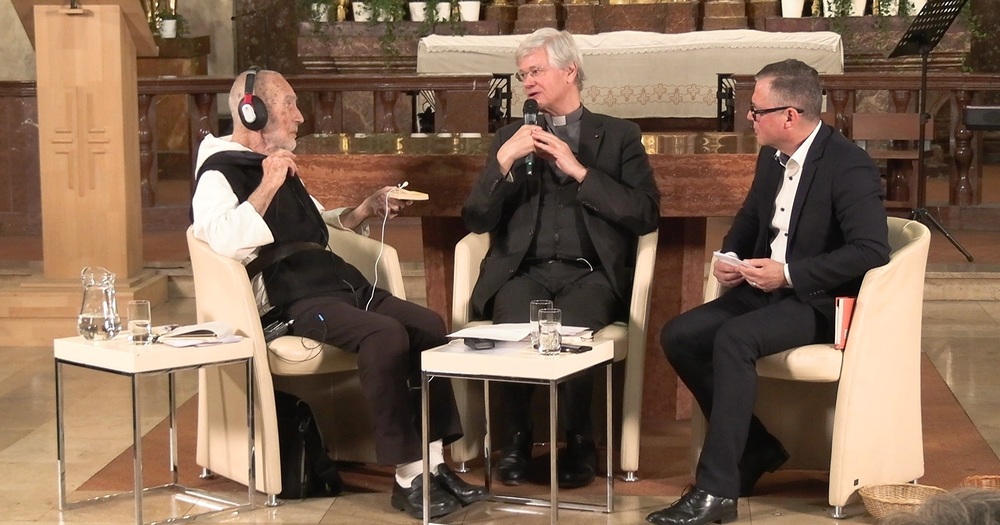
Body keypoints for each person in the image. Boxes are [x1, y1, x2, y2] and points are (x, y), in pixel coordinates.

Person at [190, 68, 487, 520]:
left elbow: (318, 225)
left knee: (429, 325)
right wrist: (268, 183)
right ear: (253, 111)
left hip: (338, 283)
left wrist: (365, 209)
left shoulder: (279, 163)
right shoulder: (218, 172)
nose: (299, 116)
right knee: (385, 334)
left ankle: (433, 465)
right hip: (292, 301)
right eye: (289, 104)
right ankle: (408, 477)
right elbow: (223, 241)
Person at [648, 59, 891, 525]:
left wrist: (790, 274)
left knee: (734, 338)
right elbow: (751, 219)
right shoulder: (771, 156)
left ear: (790, 116)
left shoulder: (848, 165)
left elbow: (871, 250)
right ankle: (757, 447)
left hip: (820, 300)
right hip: (765, 290)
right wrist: (730, 256)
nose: (749, 117)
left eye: (757, 111)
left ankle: (716, 491)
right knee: (680, 335)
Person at [462, 28, 660, 489]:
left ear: (570, 71)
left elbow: (645, 213)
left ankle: (581, 442)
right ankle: (515, 442)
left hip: (589, 274)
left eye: (535, 71)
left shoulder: (619, 135)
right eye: (522, 75)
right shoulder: (509, 137)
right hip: (523, 271)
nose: (526, 82)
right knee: (514, 326)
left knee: (570, 331)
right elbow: (476, 218)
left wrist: (579, 171)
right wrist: (502, 163)